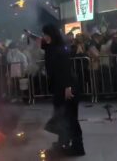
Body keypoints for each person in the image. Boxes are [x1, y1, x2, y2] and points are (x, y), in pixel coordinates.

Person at [41, 24, 85, 157]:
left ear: (52, 35)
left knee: (70, 118)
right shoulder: (51, 47)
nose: (44, 37)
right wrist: (31, 35)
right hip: (58, 88)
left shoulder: (60, 49)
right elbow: (41, 43)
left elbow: (66, 70)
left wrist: (68, 88)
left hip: (67, 87)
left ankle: (78, 147)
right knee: (62, 117)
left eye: (46, 34)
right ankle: (63, 143)